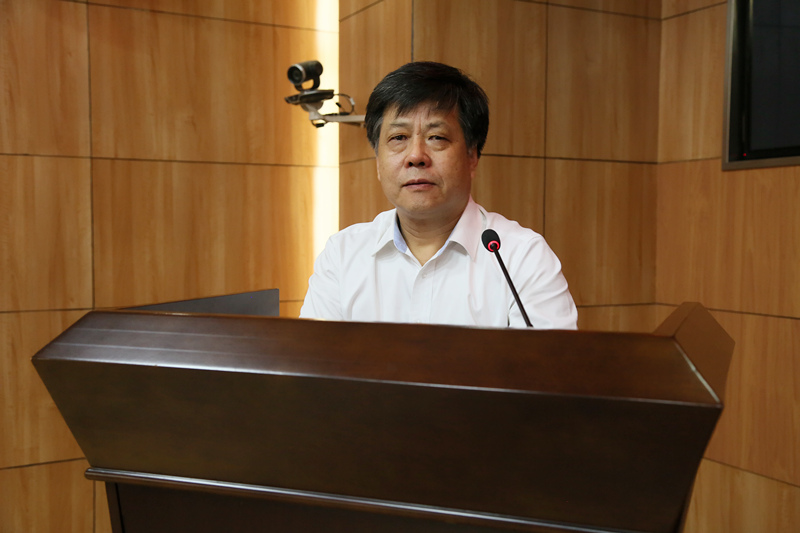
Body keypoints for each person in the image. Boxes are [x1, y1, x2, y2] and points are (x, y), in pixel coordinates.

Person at [300, 61, 577, 329]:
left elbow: (549, 361)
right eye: (398, 138)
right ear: (378, 162)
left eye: (437, 137)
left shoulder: (520, 257)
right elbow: (312, 358)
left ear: (472, 155)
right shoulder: (343, 255)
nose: (416, 156)